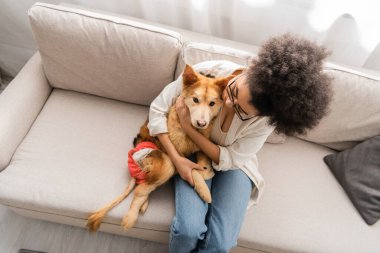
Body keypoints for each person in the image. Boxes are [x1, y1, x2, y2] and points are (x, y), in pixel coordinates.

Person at [147, 33, 333, 253]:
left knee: (220, 243)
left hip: (235, 165)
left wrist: (189, 128)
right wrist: (177, 159)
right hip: (191, 154)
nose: (227, 101)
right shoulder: (210, 72)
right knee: (188, 230)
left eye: (241, 110)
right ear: (249, 72)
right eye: (233, 91)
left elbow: (232, 159)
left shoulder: (264, 123)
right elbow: (158, 110)